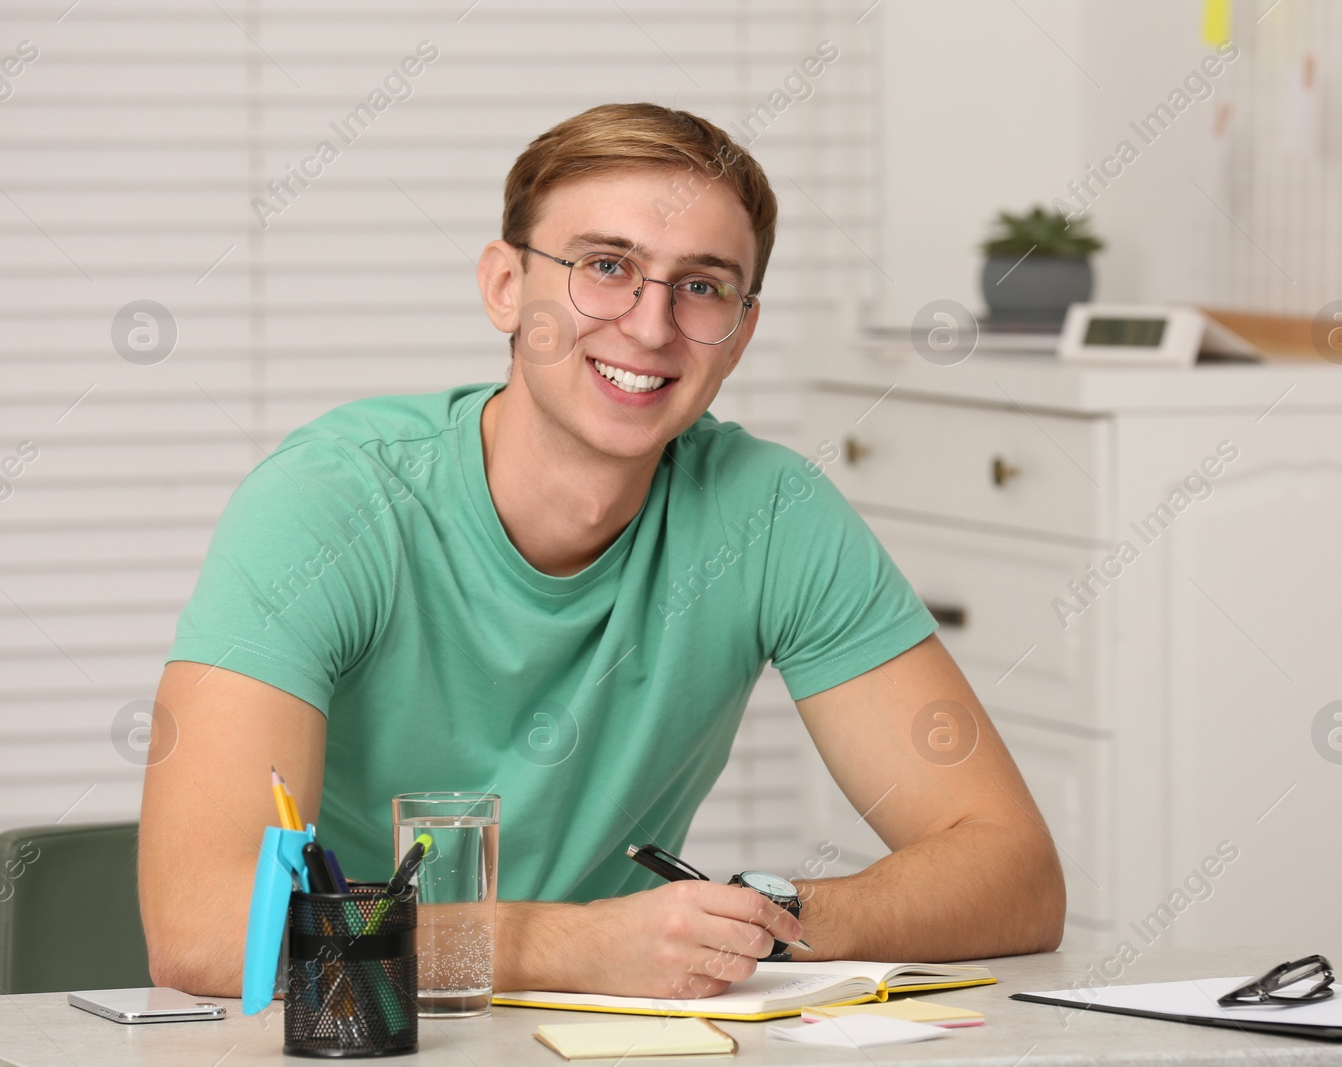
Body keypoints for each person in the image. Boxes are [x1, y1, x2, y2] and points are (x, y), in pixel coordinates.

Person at [138, 102, 1064, 1000]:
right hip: (354, 1023)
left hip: (604, 1034)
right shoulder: (330, 502)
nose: (652, 325)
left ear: (739, 331)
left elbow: (1013, 871)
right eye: (607, 266)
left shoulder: (770, 512)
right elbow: (203, 923)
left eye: (702, 286)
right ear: (506, 286)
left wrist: (757, 917)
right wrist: (567, 941)